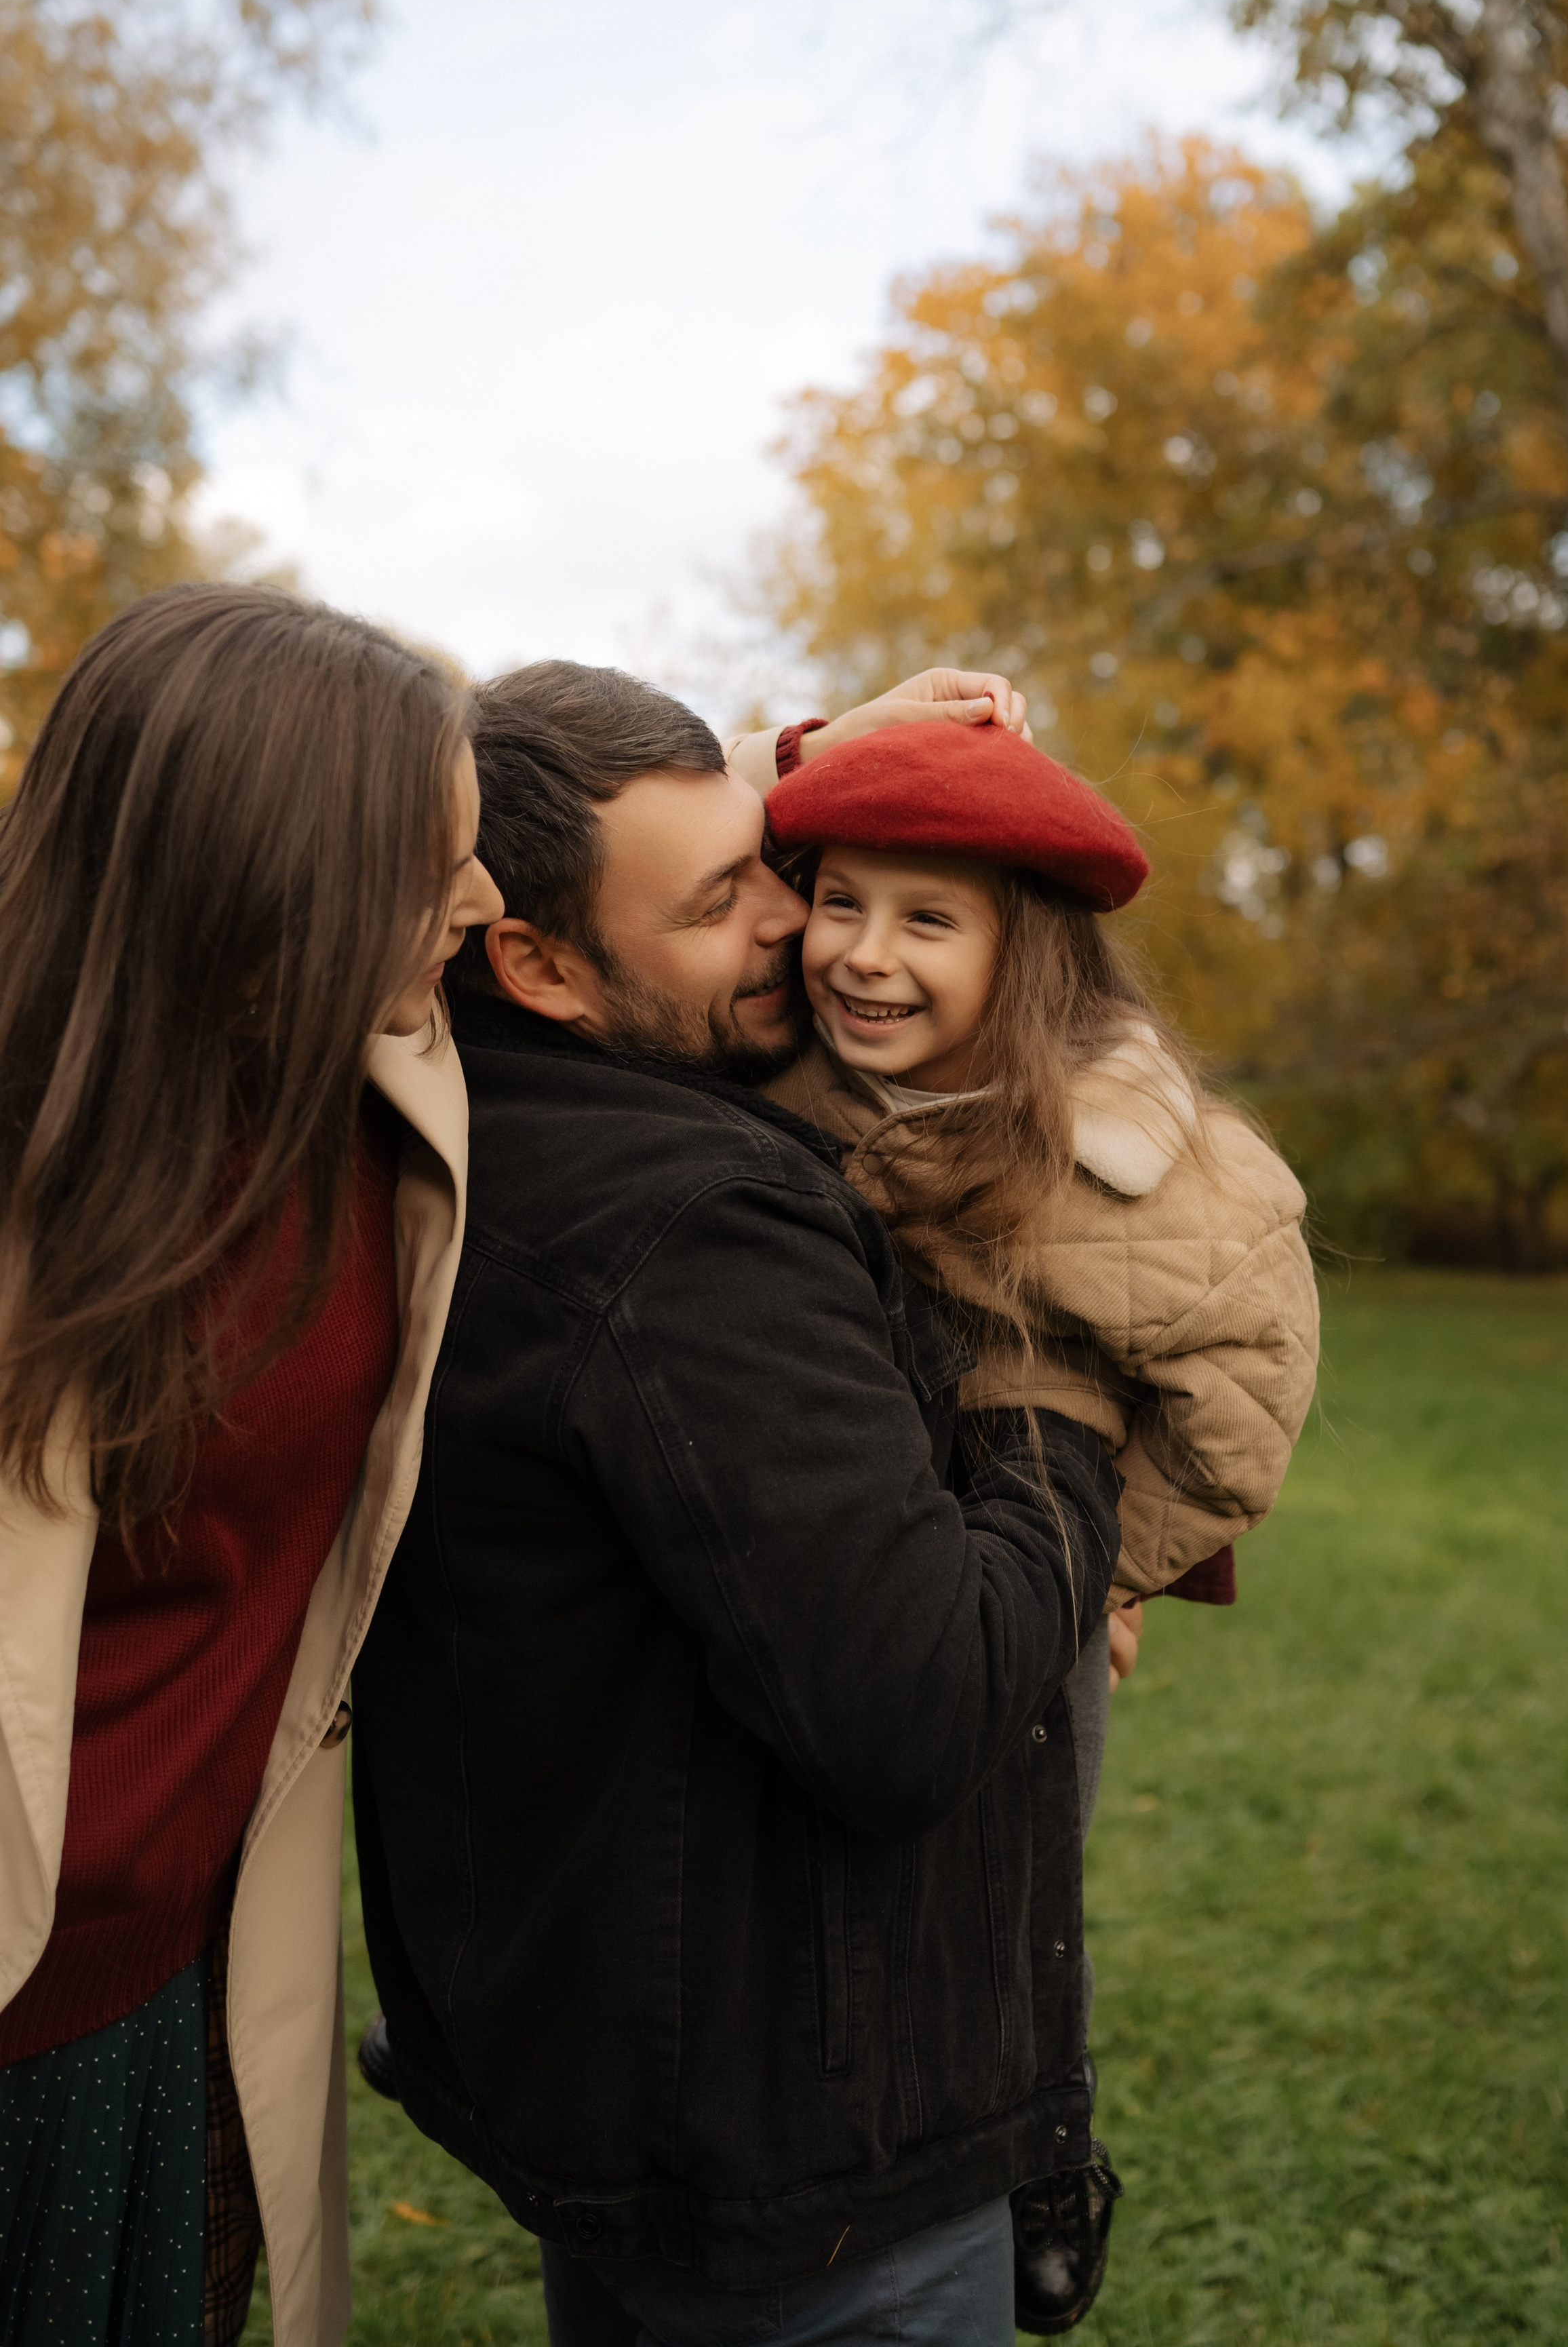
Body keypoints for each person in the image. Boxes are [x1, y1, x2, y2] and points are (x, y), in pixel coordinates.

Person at [350, 660, 1122, 2347]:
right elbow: (911, 1703)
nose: (798, 922)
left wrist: (822, 753)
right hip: (807, 2154)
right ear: (537, 962)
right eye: (727, 899)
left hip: (620, 2073)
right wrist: (1064, 1414)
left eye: (773, 855)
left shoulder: (466, 1123)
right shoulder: (689, 1222)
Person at [760, 719, 1321, 2331]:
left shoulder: (1138, 1163)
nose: (861, 958)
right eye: (840, 902)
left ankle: (1026, 2156)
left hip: (1014, 1592)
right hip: (846, 1550)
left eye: (925, 920)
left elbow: (1239, 1410)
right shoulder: (782, 1071)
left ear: (1024, 955)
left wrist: (1076, 1572)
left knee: (996, 1905)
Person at [0, 585, 503, 2347]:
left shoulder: (377, 1081)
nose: (488, 900)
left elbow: (667, 905)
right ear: (261, 878)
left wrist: (848, 762)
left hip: (188, 1970)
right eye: (430, 859)